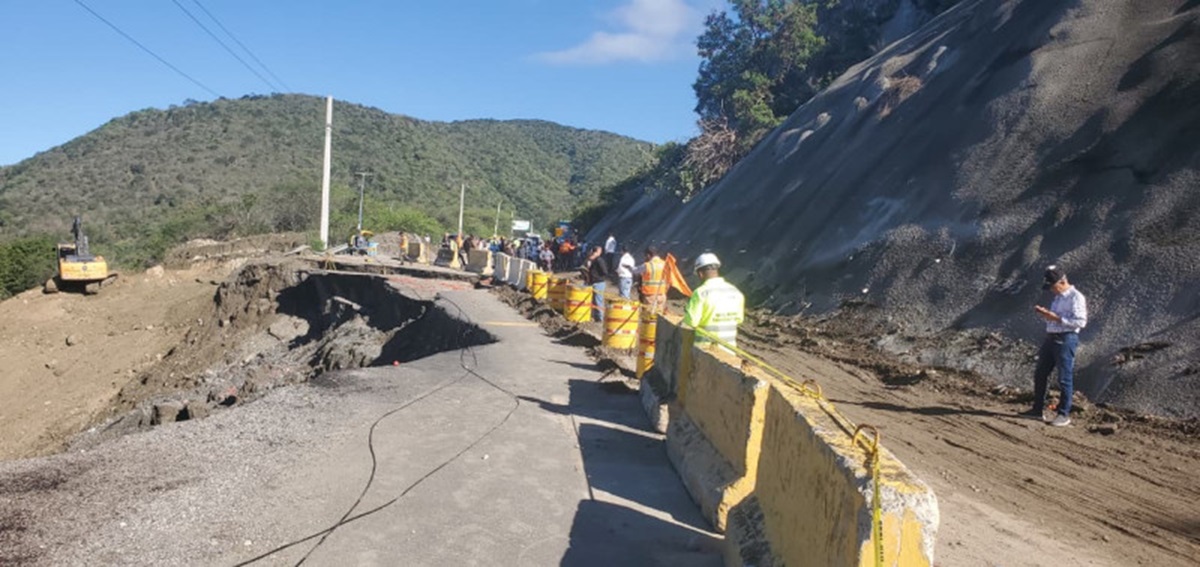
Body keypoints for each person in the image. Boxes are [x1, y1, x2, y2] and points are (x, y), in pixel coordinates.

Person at [1021, 265, 1088, 427]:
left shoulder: (1076, 297)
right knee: (1040, 373)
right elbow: (1056, 318)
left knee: (1064, 377)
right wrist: (1046, 315)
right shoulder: (1058, 297)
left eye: (1053, 286)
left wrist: (1056, 318)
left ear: (1062, 282)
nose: (1051, 290)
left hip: (1066, 339)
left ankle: (1063, 414)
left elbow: (1081, 321)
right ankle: (1037, 409)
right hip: (1051, 338)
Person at [683, 253, 745, 349]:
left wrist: (687, 313)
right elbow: (739, 319)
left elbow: (691, 322)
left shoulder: (701, 293)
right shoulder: (735, 291)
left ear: (700, 274)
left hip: (705, 349)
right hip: (729, 349)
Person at [635, 246, 667, 313]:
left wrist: (628, 268)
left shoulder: (647, 265)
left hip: (650, 295)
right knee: (658, 316)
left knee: (648, 316)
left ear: (648, 255)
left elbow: (635, 271)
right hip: (662, 294)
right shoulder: (664, 264)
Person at [582, 245, 609, 322]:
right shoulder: (594, 260)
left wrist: (596, 275)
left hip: (598, 282)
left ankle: (600, 318)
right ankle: (595, 316)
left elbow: (604, 271)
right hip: (594, 282)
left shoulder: (598, 260)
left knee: (598, 301)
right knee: (594, 301)